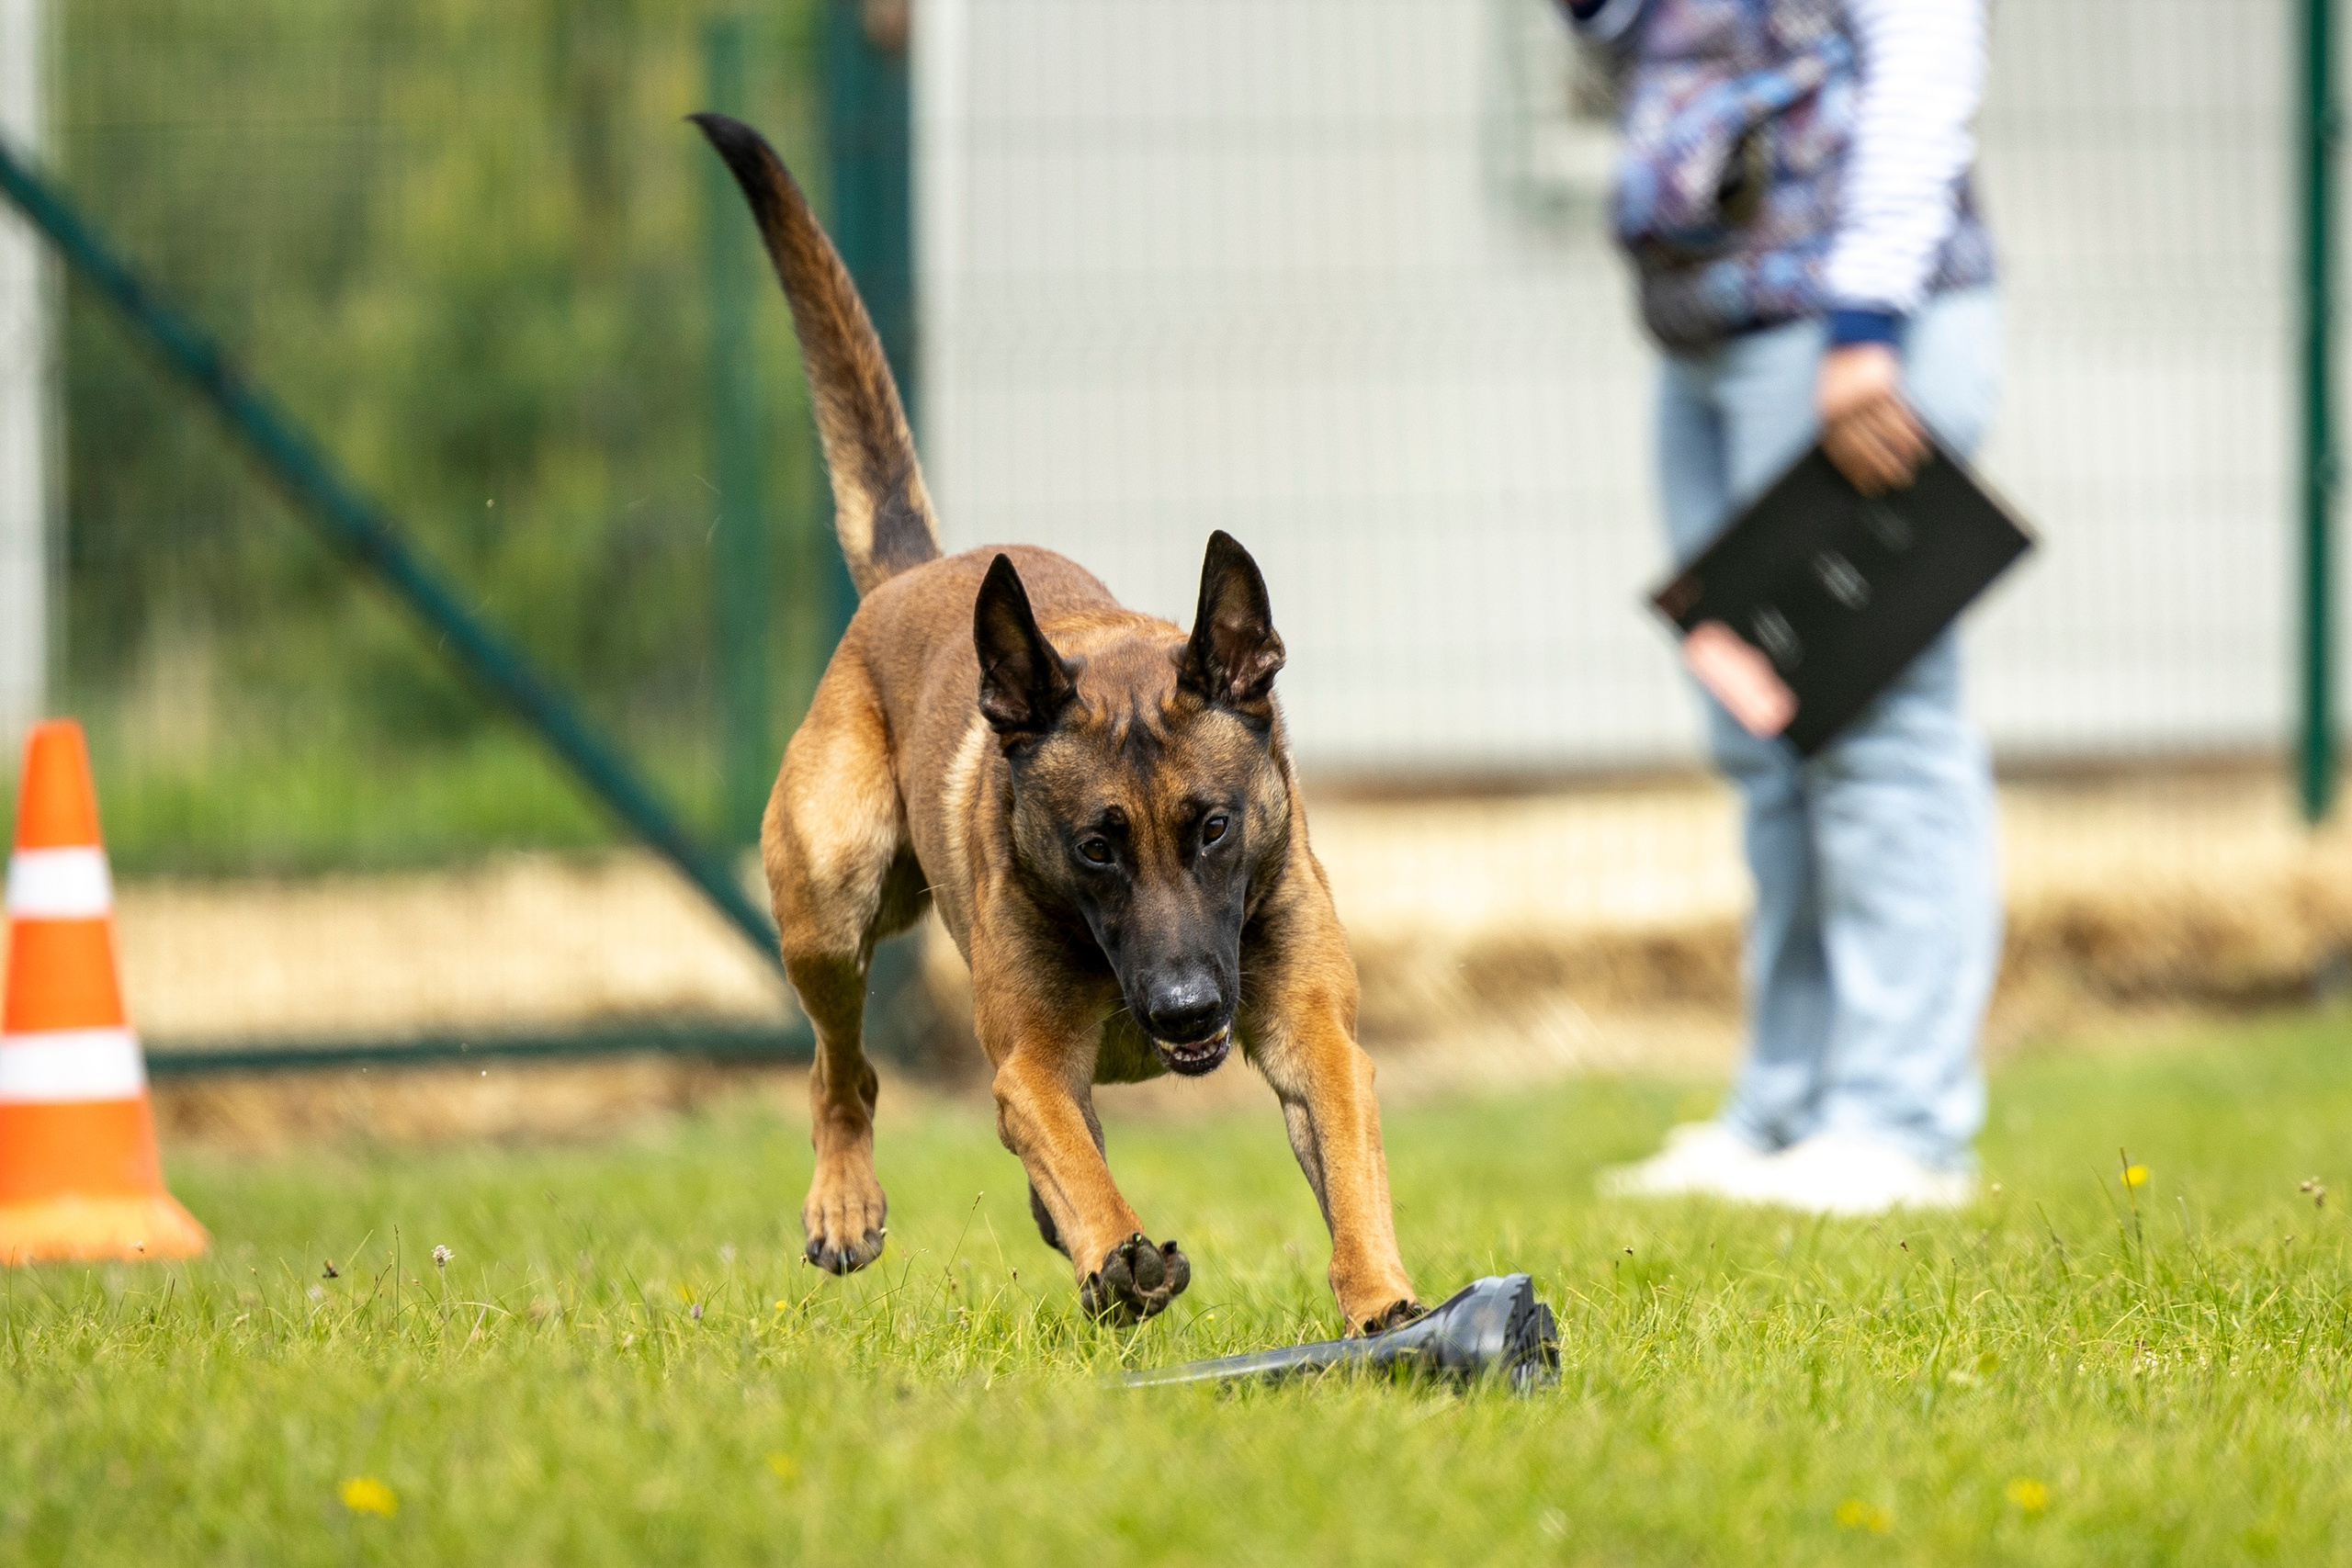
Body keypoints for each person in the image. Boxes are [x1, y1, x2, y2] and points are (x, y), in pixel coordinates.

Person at [1566, 0, 2003, 1213]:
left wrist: (1869, 324)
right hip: (1714, 337)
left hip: (1849, 338)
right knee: (1764, 736)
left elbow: (1926, 50)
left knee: (1874, 728)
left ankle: (1902, 1125)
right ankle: (1789, 1109)